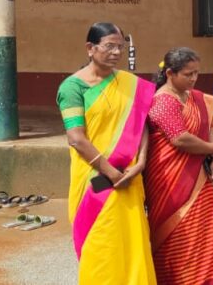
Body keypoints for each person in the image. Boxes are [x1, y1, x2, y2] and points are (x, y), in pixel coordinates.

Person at [56, 22, 156, 284]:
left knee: (131, 242)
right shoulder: (73, 88)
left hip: (129, 176)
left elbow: (142, 123)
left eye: (120, 47)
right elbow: (76, 138)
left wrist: (141, 161)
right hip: (96, 180)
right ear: (90, 48)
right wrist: (111, 173)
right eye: (109, 46)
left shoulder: (129, 83)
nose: (116, 52)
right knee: (100, 244)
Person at [145, 48, 213, 285]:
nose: (193, 78)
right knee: (177, 233)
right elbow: (180, 139)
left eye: (196, 73)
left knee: (202, 233)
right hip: (169, 180)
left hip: (199, 176)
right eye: (188, 74)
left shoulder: (196, 98)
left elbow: (208, 125)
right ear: (170, 73)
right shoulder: (162, 101)